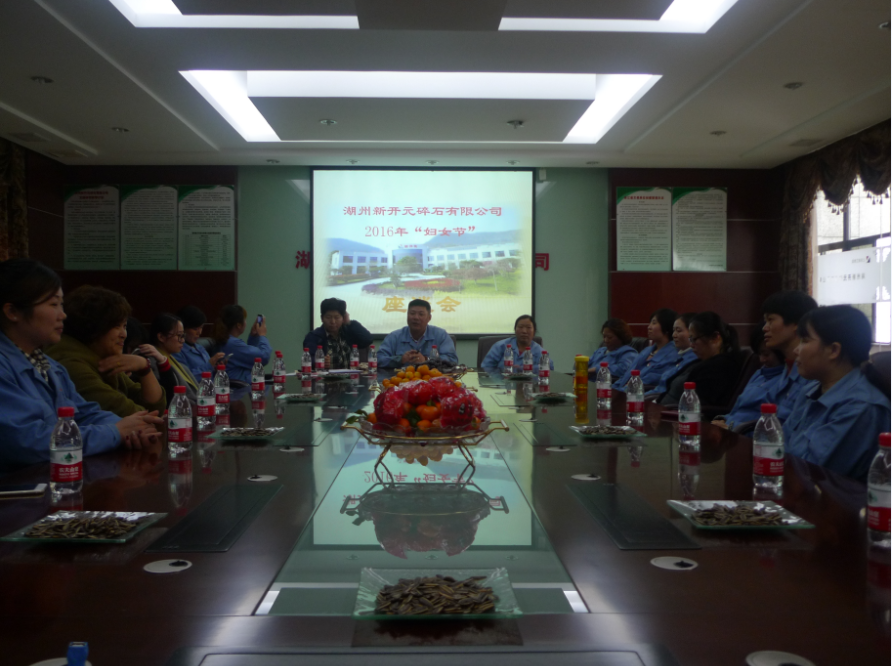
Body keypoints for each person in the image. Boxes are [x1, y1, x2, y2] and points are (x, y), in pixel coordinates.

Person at [0, 259, 161, 472]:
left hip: (59, 478)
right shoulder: (5, 366)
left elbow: (83, 413)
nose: (62, 315)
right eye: (53, 304)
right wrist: (115, 432)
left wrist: (134, 427)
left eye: (62, 305)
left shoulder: (51, 366)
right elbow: (27, 442)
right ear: (13, 312)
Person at [783, 305, 890, 482]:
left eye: (805, 341)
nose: (796, 349)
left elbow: (812, 473)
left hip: (825, 496)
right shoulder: (810, 391)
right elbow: (779, 446)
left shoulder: (860, 407)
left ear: (833, 350)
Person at [46, 285, 167, 417]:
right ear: (92, 326)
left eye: (124, 326)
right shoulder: (72, 363)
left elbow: (156, 406)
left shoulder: (103, 356)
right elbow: (131, 413)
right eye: (116, 326)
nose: (124, 334)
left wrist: (144, 368)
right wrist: (153, 416)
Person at [761, 291, 819, 421]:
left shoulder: (812, 372)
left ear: (797, 323)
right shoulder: (788, 366)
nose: (764, 328)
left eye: (770, 320)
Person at [712, 326, 785, 431]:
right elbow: (737, 407)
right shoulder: (760, 373)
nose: (762, 360)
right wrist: (724, 419)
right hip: (732, 427)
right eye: (759, 354)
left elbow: (769, 426)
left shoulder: (784, 380)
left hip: (747, 433)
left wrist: (732, 426)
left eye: (766, 354)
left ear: (780, 352)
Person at [669, 311, 745, 411]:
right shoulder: (704, 362)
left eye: (694, 339)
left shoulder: (720, 367)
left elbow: (697, 405)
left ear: (715, 338)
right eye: (690, 339)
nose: (691, 345)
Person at [377, 299, 458, 368]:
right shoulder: (394, 336)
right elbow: (378, 359)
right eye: (412, 313)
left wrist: (427, 360)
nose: (416, 317)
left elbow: (452, 360)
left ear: (429, 318)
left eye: (421, 314)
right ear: (407, 315)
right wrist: (400, 359)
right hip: (401, 379)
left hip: (433, 379)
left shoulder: (441, 335)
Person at [614, 308, 678, 390]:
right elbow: (626, 375)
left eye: (654, 323)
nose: (649, 327)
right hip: (623, 392)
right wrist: (613, 389)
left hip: (640, 394)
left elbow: (652, 381)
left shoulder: (673, 355)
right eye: (650, 323)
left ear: (666, 327)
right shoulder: (646, 350)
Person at [302, 298, 373, 369]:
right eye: (328, 317)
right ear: (322, 318)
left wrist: (349, 322)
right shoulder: (314, 337)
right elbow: (308, 359)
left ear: (343, 318)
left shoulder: (348, 332)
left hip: (349, 375)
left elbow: (368, 340)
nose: (333, 322)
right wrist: (320, 362)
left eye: (337, 317)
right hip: (325, 375)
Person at [214, 305, 272, 384]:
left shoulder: (228, 341)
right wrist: (262, 335)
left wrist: (254, 336)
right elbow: (263, 357)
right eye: (244, 319)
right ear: (239, 325)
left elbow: (250, 358)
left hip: (246, 384)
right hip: (240, 388)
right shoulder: (233, 344)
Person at [646, 313, 698, 398]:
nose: (674, 335)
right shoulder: (680, 357)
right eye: (674, 331)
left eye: (679, 331)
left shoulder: (693, 360)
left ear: (693, 333)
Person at [150, 313, 200, 402]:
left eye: (183, 336)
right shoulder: (152, 362)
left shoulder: (177, 362)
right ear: (161, 337)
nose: (183, 340)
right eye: (179, 336)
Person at [481, 314, 554, 373]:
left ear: (534, 331)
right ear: (515, 330)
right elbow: (485, 367)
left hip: (529, 385)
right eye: (520, 327)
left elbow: (549, 368)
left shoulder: (539, 351)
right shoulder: (500, 346)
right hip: (502, 384)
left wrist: (523, 369)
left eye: (528, 327)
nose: (524, 331)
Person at [174, 305, 224, 378]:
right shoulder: (177, 351)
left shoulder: (199, 347)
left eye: (201, 327)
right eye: (195, 329)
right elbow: (186, 378)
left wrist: (216, 369)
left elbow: (210, 372)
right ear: (183, 329)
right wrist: (209, 365)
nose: (199, 332)